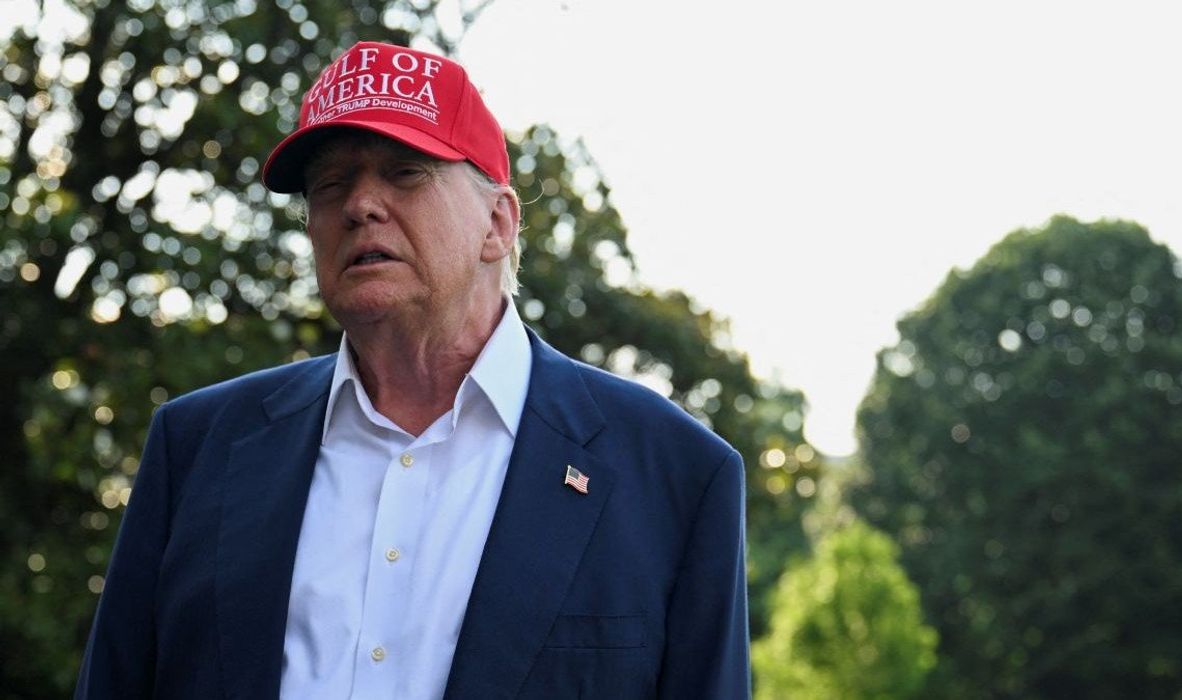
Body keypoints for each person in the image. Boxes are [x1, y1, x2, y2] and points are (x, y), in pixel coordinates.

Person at [76, 41, 749, 699]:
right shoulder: (197, 448)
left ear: (498, 223)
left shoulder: (674, 473)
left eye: (404, 172)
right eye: (330, 184)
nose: (359, 205)